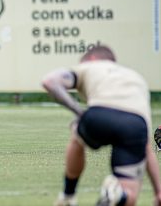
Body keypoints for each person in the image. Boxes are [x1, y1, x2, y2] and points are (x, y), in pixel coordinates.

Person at [42, 45, 161, 206]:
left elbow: (49, 81)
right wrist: (158, 191)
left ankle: (68, 196)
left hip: (100, 114)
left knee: (76, 132)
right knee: (130, 195)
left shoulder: (89, 67)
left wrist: (79, 112)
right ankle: (119, 194)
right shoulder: (136, 78)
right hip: (135, 124)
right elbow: (146, 146)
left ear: (91, 59)